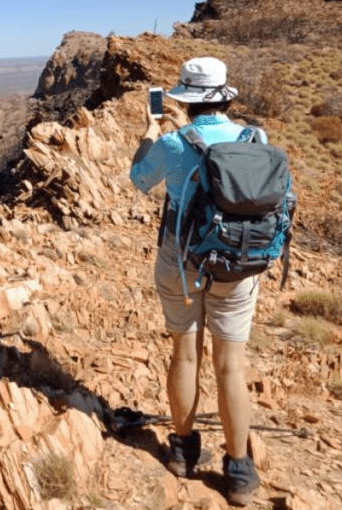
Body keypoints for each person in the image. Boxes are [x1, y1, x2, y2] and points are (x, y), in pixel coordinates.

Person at [129, 57, 263, 506]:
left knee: (185, 354)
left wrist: (149, 131)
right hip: (239, 262)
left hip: (182, 259)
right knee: (232, 366)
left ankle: (184, 453)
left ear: (185, 102)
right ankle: (240, 472)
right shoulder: (255, 138)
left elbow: (138, 180)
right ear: (225, 96)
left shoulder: (171, 142)